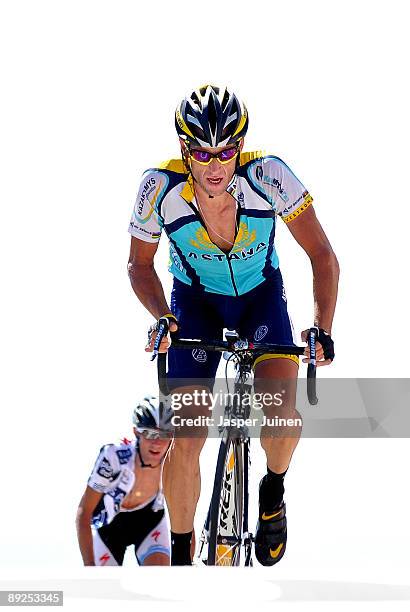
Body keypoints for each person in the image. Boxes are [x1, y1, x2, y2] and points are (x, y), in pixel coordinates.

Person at [127, 85, 339, 566]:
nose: (215, 165)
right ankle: (181, 553)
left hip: (260, 299)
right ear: (186, 149)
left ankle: (272, 491)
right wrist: (163, 316)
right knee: (186, 434)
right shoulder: (157, 187)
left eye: (226, 151)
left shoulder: (269, 175)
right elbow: (139, 266)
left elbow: (322, 256)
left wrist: (321, 327)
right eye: (202, 153)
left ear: (239, 147)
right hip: (195, 302)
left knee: (280, 416)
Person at [76, 396, 174, 566]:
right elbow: (84, 513)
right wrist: (90, 567)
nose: (157, 443)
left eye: (164, 435)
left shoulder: (173, 461)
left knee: (161, 576)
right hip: (110, 526)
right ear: (137, 432)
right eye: (150, 434)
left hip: (149, 521)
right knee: (104, 588)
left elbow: (184, 512)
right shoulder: (113, 457)